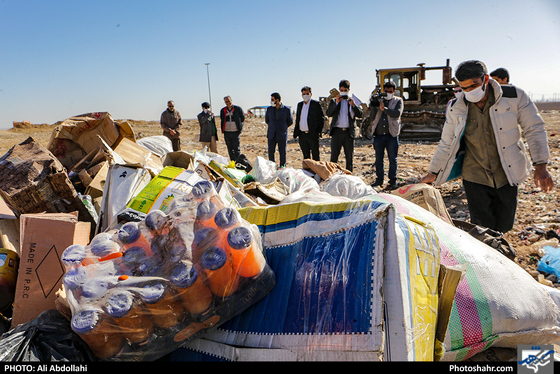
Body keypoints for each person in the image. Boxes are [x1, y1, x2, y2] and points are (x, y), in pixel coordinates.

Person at [420, 60, 553, 233]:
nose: (469, 91)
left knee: (505, 224)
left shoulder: (513, 96)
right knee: (482, 227)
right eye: (464, 88)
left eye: (473, 85)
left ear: (486, 79)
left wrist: (541, 165)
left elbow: (534, 128)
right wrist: (433, 173)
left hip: (508, 172)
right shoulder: (456, 107)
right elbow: (447, 142)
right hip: (475, 176)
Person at [367, 81, 404, 190]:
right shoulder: (380, 100)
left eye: (390, 91)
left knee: (393, 158)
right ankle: (379, 180)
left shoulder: (398, 101)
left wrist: (385, 109)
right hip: (378, 135)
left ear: (394, 91)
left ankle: (392, 181)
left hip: (391, 135)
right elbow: (372, 117)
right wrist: (374, 105)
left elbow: (397, 113)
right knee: (379, 159)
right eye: (386, 91)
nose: (388, 93)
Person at [326, 80, 363, 172]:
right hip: (337, 132)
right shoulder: (334, 101)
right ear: (339, 90)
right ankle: (333, 176)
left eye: (345, 90)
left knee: (349, 158)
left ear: (349, 90)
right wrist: (336, 103)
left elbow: (360, 114)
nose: (343, 91)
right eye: (342, 90)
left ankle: (349, 176)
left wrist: (353, 105)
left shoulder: (352, 101)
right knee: (334, 157)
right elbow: (329, 113)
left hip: (348, 133)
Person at [293, 86, 325, 161]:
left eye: (307, 93)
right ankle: (307, 172)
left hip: (312, 134)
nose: (305, 96)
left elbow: (321, 119)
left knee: (315, 155)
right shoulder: (300, 105)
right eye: (304, 94)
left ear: (311, 94)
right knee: (306, 156)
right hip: (302, 135)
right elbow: (298, 119)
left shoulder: (316, 104)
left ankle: (316, 171)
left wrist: (318, 131)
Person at [265, 92, 293, 168]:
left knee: (282, 153)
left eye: (272, 99)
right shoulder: (269, 109)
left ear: (277, 100)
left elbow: (290, 121)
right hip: (271, 134)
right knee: (271, 152)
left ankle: (282, 168)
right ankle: (272, 168)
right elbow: (267, 120)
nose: (271, 101)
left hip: (282, 134)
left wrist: (282, 127)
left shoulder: (286, 110)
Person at [220, 96, 245, 162]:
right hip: (227, 132)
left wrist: (240, 127)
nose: (228, 103)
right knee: (230, 148)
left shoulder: (238, 109)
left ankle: (238, 163)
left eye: (228, 101)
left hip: (235, 132)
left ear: (231, 100)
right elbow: (222, 119)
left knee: (236, 149)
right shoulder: (223, 110)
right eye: (226, 102)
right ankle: (232, 162)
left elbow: (242, 118)